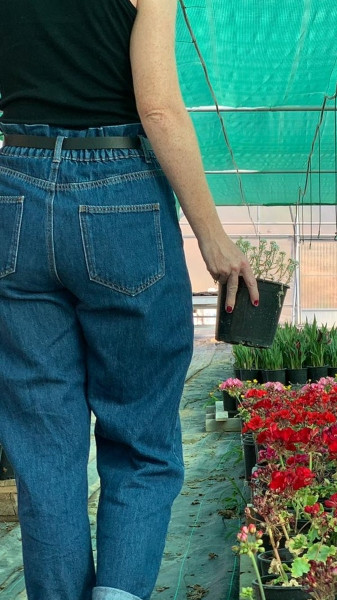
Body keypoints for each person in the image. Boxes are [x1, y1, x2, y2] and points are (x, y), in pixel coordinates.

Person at [0, 1, 259, 598]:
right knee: (140, 438)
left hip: (13, 190)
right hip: (118, 189)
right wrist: (212, 236)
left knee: (44, 453)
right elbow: (159, 107)